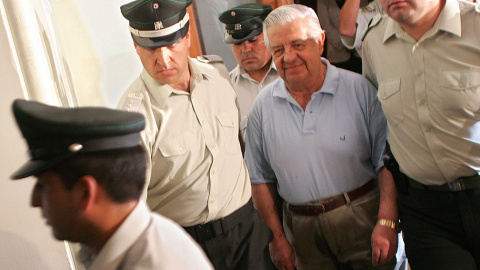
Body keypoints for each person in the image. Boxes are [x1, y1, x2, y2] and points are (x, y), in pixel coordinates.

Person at [117, 0, 275, 269]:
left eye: (171, 44)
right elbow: (128, 209)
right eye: (151, 48)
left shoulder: (219, 76)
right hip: (186, 248)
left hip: (247, 234)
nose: (163, 58)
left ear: (187, 37)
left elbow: (237, 145)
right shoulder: (134, 115)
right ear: (135, 48)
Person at [245, 4, 397, 270]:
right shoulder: (262, 106)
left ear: (320, 41)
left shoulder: (360, 89)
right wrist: (277, 238)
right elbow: (260, 180)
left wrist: (387, 221)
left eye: (298, 44)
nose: (288, 57)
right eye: (278, 50)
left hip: (363, 218)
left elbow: (386, 163)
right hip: (301, 232)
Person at [9, 99, 213, 270]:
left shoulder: (151, 263)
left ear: (84, 193)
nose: (34, 201)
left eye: (43, 185)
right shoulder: (139, 241)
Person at [362, 0, 480, 269]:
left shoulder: (475, 26)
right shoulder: (374, 43)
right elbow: (388, 139)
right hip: (425, 210)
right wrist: (387, 217)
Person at [218, 3, 279, 143]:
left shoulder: (289, 75)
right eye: (238, 43)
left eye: (253, 40)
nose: (246, 49)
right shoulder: (226, 89)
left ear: (269, 35)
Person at [317, 0, 366, 73]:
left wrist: (353, 41)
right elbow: (325, 26)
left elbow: (365, 21)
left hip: (358, 51)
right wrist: (345, 42)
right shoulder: (323, 1)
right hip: (337, 54)